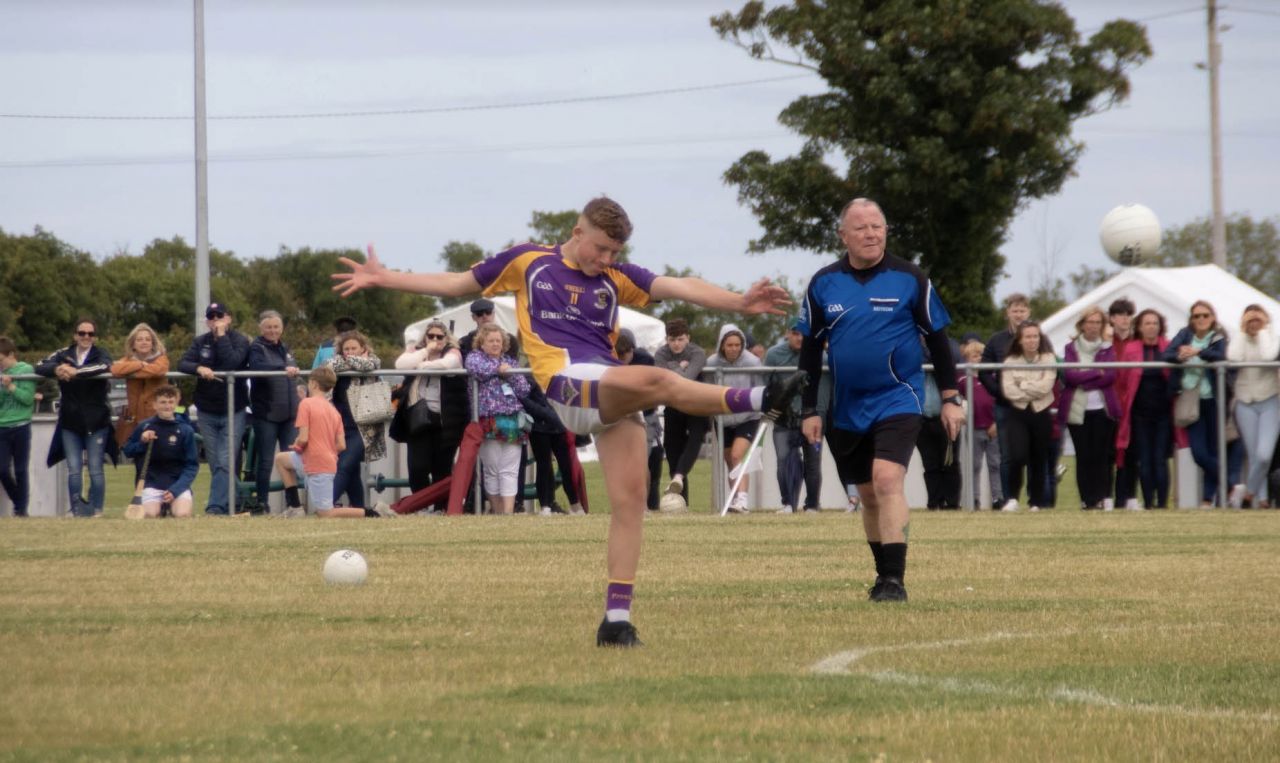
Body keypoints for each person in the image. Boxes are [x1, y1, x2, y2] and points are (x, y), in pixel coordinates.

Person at [333, 195, 803, 646]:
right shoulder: (529, 262)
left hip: (609, 389)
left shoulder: (616, 276)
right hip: (567, 383)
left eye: (615, 251)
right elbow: (458, 284)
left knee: (631, 501)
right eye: (600, 247)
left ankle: (616, 621)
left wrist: (739, 302)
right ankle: (761, 396)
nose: (606, 258)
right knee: (658, 381)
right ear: (577, 232)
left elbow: (677, 285)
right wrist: (385, 277)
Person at [796, 198, 963, 603]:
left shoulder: (911, 278)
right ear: (843, 235)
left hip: (898, 398)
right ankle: (881, 575)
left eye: (878, 226)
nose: (871, 234)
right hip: (846, 407)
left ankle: (895, 581)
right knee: (868, 494)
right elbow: (809, 351)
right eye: (861, 228)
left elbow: (939, 342)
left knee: (889, 479)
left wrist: (950, 397)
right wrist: (809, 410)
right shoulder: (823, 283)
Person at [275, 366, 391, 518]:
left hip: (315, 462)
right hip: (325, 460)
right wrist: (327, 452)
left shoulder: (306, 404)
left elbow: (303, 438)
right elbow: (341, 445)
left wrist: (297, 445)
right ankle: (294, 507)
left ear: (314, 384)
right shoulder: (334, 411)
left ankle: (374, 512)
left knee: (325, 513)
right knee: (281, 459)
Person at [1164, 300, 1244, 507]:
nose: (1200, 319)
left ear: (1213, 317)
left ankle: (1208, 500)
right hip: (1192, 400)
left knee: (1214, 450)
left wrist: (1198, 352)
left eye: (1205, 315)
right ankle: (1230, 484)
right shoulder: (1184, 334)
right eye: (1196, 316)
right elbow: (1167, 354)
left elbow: (1222, 355)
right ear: (1191, 319)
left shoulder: (1218, 337)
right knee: (1199, 453)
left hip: (1215, 401)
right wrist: (1181, 355)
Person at [36, 318, 117, 517]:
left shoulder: (101, 353)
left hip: (96, 419)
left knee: (96, 468)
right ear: (75, 335)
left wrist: (76, 372)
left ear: (95, 337)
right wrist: (57, 369)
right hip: (70, 421)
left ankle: (97, 510)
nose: (86, 337)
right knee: (73, 468)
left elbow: (105, 366)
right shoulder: (63, 354)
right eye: (82, 333)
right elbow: (39, 365)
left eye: (90, 334)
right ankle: (77, 510)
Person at [178, 302, 250, 515]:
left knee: (225, 461)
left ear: (228, 318)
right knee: (216, 462)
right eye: (212, 316)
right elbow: (183, 363)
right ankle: (237, 500)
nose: (215, 319)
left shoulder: (239, 340)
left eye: (220, 315)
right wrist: (198, 368)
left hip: (233, 410)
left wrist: (221, 337)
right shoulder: (200, 342)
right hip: (207, 410)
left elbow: (231, 363)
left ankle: (215, 507)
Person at [393, 319, 468, 511]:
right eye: (431, 336)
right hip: (418, 418)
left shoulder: (453, 352)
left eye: (439, 337)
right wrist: (425, 351)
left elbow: (446, 365)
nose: (435, 340)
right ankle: (420, 505)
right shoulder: (417, 351)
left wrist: (421, 366)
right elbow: (400, 365)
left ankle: (440, 508)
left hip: (446, 421)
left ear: (446, 338)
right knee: (417, 467)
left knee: (441, 468)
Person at [466, 325, 532, 514]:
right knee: (492, 469)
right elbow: (476, 369)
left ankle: (508, 513)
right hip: (488, 420)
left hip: (512, 420)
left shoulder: (510, 361)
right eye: (491, 340)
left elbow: (524, 388)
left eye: (498, 340)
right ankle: (497, 511)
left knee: (509, 470)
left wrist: (508, 371)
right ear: (482, 343)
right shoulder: (475, 358)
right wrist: (500, 369)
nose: (495, 344)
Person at [1061, 306, 1120, 510]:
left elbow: (1111, 376)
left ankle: (1104, 497)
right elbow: (1070, 376)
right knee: (1084, 455)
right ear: (1082, 324)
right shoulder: (1071, 348)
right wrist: (1096, 374)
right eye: (1090, 322)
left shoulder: (1107, 348)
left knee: (1102, 455)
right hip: (1077, 410)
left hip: (1103, 409)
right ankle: (1087, 499)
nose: (1093, 326)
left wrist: (1084, 377)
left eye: (1097, 322)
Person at [1115, 309, 1173, 509]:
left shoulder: (1168, 347)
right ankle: (1148, 503)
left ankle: (1162, 503)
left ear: (1160, 326)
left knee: (1160, 459)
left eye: (1155, 323)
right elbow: (1122, 380)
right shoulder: (1131, 349)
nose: (1151, 327)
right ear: (1139, 326)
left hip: (1164, 415)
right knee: (1145, 460)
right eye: (1147, 323)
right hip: (1139, 415)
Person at [764, 325, 824, 514]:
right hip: (783, 418)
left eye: (803, 334)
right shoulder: (773, 355)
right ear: (788, 334)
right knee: (783, 460)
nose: (799, 338)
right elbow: (766, 385)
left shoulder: (819, 354)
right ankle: (788, 503)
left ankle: (812, 505)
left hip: (811, 416)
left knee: (812, 462)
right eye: (795, 334)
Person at [247, 310, 302, 513]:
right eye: (268, 327)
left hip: (289, 414)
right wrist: (282, 367)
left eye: (276, 327)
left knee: (291, 459)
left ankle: (293, 504)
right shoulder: (256, 348)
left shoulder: (286, 348)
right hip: (267, 414)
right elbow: (257, 367)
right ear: (261, 329)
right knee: (266, 461)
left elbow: (295, 374)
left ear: (282, 328)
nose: (272, 330)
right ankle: (262, 503)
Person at [705, 323, 763, 513]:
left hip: (747, 416)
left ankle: (743, 500)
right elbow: (707, 389)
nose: (734, 349)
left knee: (738, 455)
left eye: (737, 345)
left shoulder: (753, 362)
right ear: (722, 345)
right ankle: (736, 500)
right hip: (723, 418)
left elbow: (759, 388)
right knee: (730, 460)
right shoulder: (712, 362)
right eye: (730, 345)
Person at [979, 293, 1032, 504]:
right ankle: (1009, 499)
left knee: (1033, 453)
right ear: (1007, 313)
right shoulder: (996, 340)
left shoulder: (1038, 338)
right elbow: (983, 371)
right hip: (1006, 406)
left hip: (1033, 404)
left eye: (1022, 310)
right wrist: (999, 392)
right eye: (1015, 310)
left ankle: (1035, 500)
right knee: (1007, 455)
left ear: (1029, 312)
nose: (1019, 315)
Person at [1000, 321, 1057, 512]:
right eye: (1028, 337)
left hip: (1041, 412)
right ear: (1020, 340)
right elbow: (1009, 390)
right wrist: (1032, 386)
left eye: (1035, 336)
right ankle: (1012, 498)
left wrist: (1022, 383)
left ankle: (1036, 502)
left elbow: (1046, 387)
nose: (1032, 340)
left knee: (1039, 457)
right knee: (1017, 455)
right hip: (1018, 413)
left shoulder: (1048, 358)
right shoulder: (1010, 361)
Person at [1226, 304, 1279, 508]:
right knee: (1254, 453)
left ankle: (1249, 494)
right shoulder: (1239, 339)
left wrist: (1263, 331)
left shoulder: (1272, 338)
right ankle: (1262, 500)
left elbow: (1268, 356)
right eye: (1250, 317)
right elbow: (1234, 357)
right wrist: (1243, 330)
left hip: (1269, 401)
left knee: (1264, 454)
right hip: (1245, 402)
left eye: (1259, 316)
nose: (1254, 320)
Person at [653, 318, 708, 509]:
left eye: (680, 339)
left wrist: (675, 370)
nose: (676, 344)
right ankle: (681, 501)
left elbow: (686, 379)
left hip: (697, 404)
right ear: (666, 339)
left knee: (694, 440)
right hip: (673, 405)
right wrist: (681, 367)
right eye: (672, 339)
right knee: (672, 449)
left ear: (688, 338)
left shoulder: (697, 352)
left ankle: (678, 476)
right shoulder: (660, 353)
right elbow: (667, 379)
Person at [121, 385, 199, 518]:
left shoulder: (186, 430)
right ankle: (160, 508)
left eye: (170, 402)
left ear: (176, 404)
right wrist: (142, 442)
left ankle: (172, 504)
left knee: (182, 514)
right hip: (151, 483)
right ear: (154, 405)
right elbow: (128, 451)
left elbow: (191, 465)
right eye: (163, 402)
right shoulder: (144, 426)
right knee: (151, 515)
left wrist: (176, 490)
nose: (167, 406)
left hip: (176, 483)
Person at [328, 330, 385, 509]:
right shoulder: (335, 362)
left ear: (363, 348)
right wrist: (351, 362)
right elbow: (328, 366)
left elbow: (369, 365)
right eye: (346, 349)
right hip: (340, 425)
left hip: (363, 427)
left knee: (343, 466)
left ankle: (326, 506)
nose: (350, 351)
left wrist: (351, 362)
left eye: (354, 348)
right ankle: (360, 509)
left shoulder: (372, 360)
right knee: (351, 470)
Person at [615, 329, 663, 511]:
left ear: (631, 350)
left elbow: (654, 389)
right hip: (620, 416)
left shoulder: (645, 360)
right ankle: (625, 504)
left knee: (641, 461)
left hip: (645, 415)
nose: (622, 360)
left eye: (624, 354)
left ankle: (642, 505)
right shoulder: (608, 362)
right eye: (618, 355)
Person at [917, 334, 963, 509]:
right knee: (930, 463)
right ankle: (934, 502)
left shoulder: (948, 344)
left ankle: (952, 504)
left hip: (947, 414)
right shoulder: (909, 342)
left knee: (950, 462)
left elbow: (946, 357)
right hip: (921, 416)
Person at [110, 323, 170, 449]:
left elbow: (156, 370)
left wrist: (131, 371)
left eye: (148, 339)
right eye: (140, 339)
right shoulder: (128, 359)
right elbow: (115, 369)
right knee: (139, 457)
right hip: (134, 419)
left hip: (157, 417)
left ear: (153, 343)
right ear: (133, 344)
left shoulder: (161, 358)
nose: (144, 342)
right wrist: (140, 365)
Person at [961, 339, 1002, 509]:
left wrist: (997, 423)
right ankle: (974, 499)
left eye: (980, 355)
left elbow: (1001, 402)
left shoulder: (993, 378)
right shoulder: (963, 381)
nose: (977, 359)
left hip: (993, 428)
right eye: (974, 355)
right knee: (974, 465)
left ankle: (998, 498)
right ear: (967, 359)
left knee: (995, 464)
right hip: (974, 428)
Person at [1107, 299, 1139, 508]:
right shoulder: (1106, 344)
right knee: (1110, 453)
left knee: (1131, 452)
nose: (1124, 318)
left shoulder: (1137, 343)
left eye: (1128, 314)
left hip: (1133, 405)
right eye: (1120, 314)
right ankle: (1108, 497)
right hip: (1110, 405)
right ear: (1111, 318)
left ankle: (1128, 496)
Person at [0, 337, 37, 517]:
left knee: (21, 469)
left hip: (21, 425)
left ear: (11, 355)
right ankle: (18, 501)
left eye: (1, 360)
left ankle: (21, 509)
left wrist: (10, 386)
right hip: (2, 426)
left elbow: (27, 399)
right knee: (2, 469)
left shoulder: (25, 370)